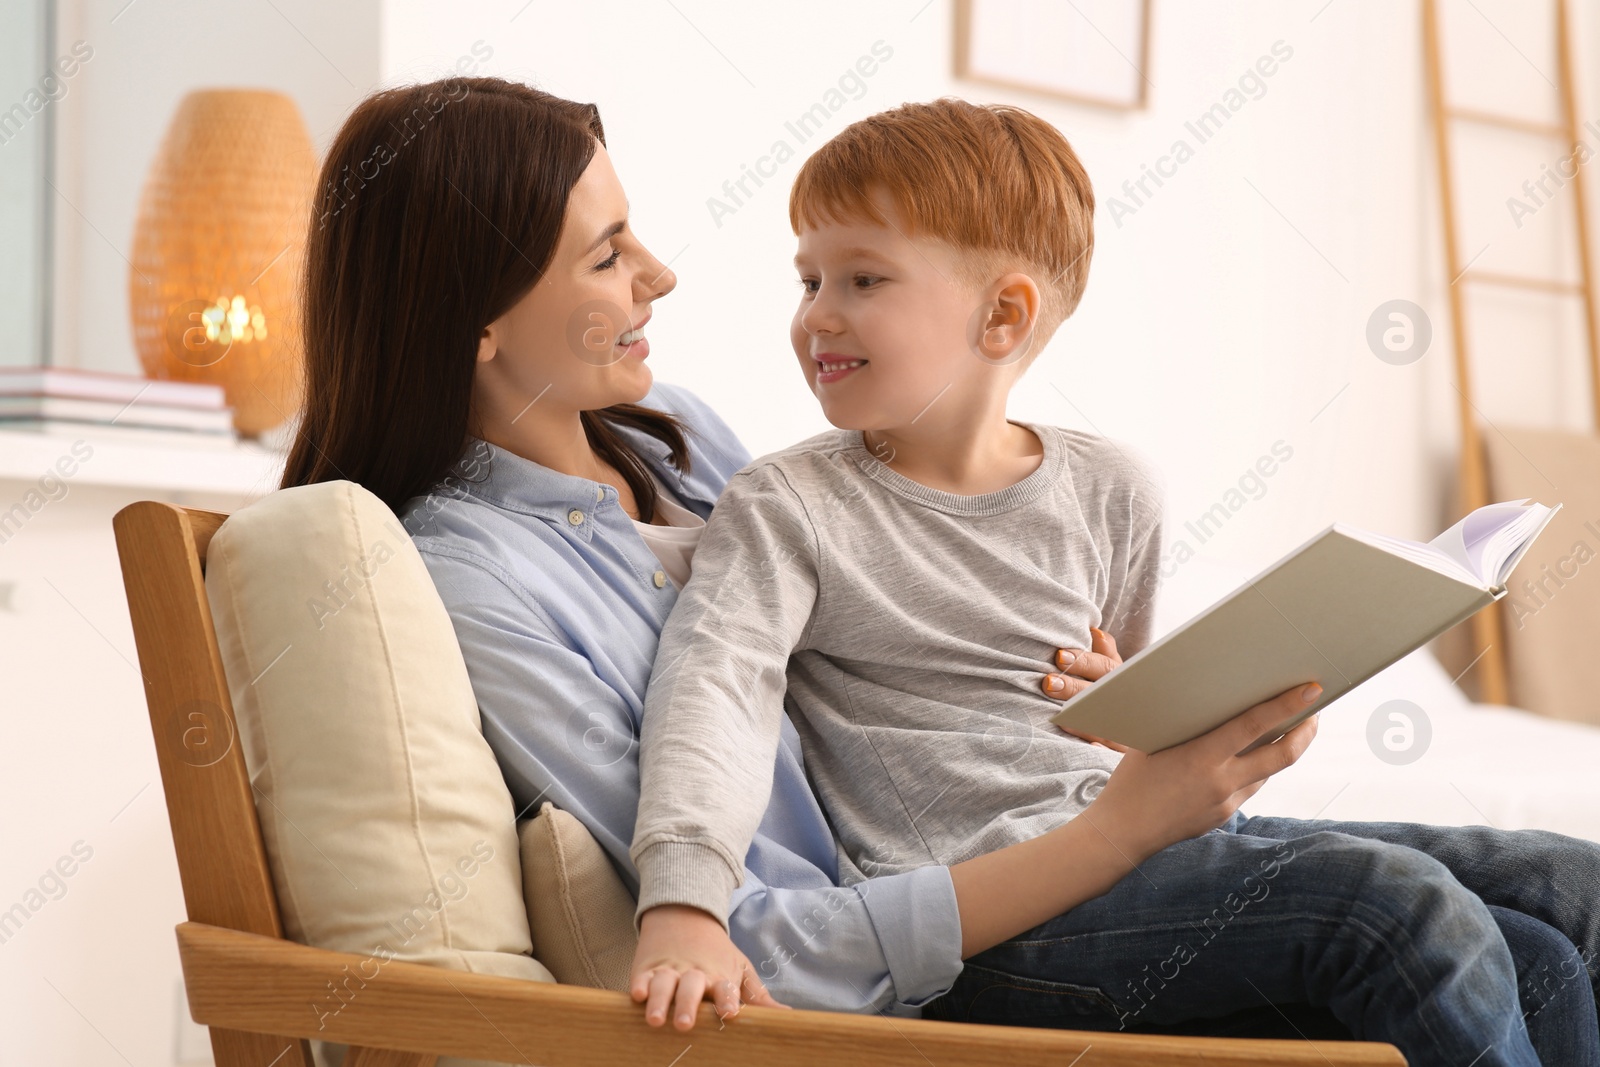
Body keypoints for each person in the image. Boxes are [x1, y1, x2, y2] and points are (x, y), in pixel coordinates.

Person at [625, 98, 1600, 1067]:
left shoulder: (1110, 487)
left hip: (1151, 855)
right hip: (997, 915)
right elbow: (713, 691)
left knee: (1565, 891)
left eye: (861, 277)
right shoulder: (787, 505)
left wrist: (1136, 706)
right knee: (1393, 904)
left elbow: (1119, 720)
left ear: (1003, 313)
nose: (816, 315)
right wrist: (681, 903)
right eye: (809, 278)